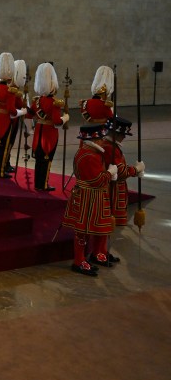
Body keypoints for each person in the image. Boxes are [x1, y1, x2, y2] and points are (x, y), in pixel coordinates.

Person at [61, 124, 117, 276]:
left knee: (96, 227)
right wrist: (109, 173)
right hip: (88, 196)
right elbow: (97, 180)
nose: (102, 142)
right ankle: (79, 260)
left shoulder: (89, 152)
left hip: (93, 195)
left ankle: (95, 253)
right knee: (83, 231)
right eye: (100, 139)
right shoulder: (89, 156)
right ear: (93, 139)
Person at [95, 116, 145, 267]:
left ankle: (102, 251)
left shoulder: (110, 145)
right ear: (116, 133)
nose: (124, 137)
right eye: (123, 134)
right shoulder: (111, 148)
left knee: (106, 223)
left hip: (113, 187)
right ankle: (100, 252)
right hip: (111, 189)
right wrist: (136, 169)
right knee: (106, 222)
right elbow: (121, 171)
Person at [29, 62, 69, 191]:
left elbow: (30, 114)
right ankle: (44, 184)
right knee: (47, 159)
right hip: (49, 134)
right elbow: (57, 121)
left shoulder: (37, 101)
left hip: (38, 131)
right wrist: (65, 118)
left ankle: (37, 183)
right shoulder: (54, 103)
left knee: (39, 159)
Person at [0, 52, 27, 178]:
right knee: (3, 147)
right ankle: (0, 171)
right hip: (5, 121)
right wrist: (23, 112)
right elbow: (12, 111)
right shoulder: (10, 91)